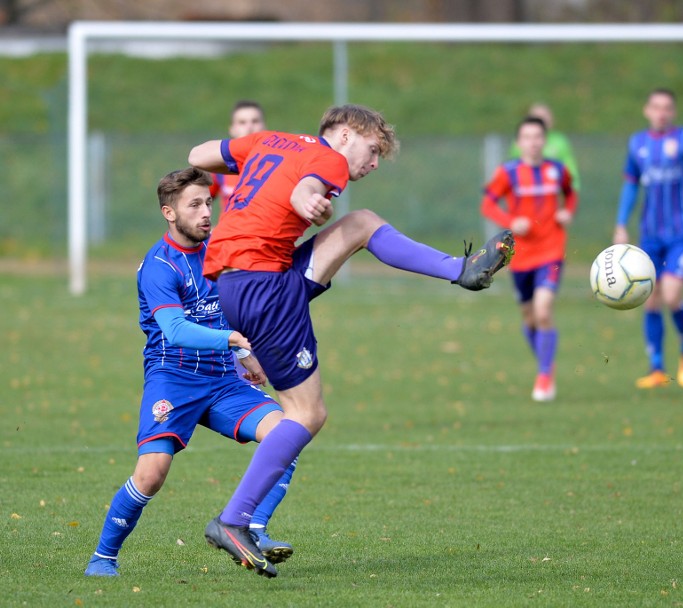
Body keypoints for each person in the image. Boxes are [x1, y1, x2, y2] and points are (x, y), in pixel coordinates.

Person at [188, 103, 515, 578]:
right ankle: (234, 520)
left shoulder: (271, 141)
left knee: (360, 223)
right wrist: (306, 199)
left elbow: (199, 153)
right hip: (264, 286)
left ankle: (460, 270)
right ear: (343, 135)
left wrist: (257, 165)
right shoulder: (328, 158)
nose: (374, 163)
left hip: (239, 283)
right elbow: (307, 189)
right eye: (373, 149)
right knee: (307, 413)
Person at [84, 168, 297, 577]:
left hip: (222, 379)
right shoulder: (159, 266)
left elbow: (237, 304)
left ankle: (252, 527)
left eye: (208, 203)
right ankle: (103, 558)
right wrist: (236, 341)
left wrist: (245, 351)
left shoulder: (219, 249)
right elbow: (176, 330)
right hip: (172, 378)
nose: (205, 213)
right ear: (169, 212)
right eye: (194, 205)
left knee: (287, 432)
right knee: (151, 474)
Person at [613, 88, 683, 389]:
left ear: (674, 112)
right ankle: (656, 367)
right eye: (656, 107)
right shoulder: (638, 144)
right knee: (650, 299)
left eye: (667, 107)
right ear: (647, 110)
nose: (661, 112)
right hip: (650, 235)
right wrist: (621, 223)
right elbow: (631, 185)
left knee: (671, 295)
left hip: (682, 233)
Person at [482, 116, 577, 402]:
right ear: (518, 142)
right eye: (527, 137)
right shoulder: (508, 172)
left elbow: (570, 194)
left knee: (543, 310)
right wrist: (510, 221)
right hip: (521, 255)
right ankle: (545, 361)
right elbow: (487, 203)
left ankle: (545, 375)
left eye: (538, 137)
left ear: (544, 141)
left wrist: (567, 212)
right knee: (529, 317)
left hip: (552, 250)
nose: (533, 142)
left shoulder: (557, 171)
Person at [209, 100, 266, 213]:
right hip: (228, 230)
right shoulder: (220, 167)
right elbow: (195, 202)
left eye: (255, 121)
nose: (249, 127)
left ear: (264, 126)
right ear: (232, 129)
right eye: (242, 122)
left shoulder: (277, 164)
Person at [509, 102, 581, 192]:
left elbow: (569, 167)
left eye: (545, 115)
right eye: (538, 116)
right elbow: (512, 169)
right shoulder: (521, 141)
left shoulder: (560, 141)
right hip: (526, 190)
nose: (542, 119)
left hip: (554, 190)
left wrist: (573, 187)